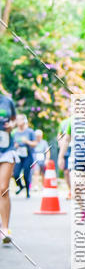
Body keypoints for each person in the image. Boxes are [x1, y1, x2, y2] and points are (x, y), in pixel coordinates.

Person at [0, 89, 17, 244]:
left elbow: (14, 120)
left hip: (6, 150)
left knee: (3, 187)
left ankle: (5, 229)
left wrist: (12, 125)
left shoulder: (7, 101)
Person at [12, 114, 36, 198]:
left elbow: (35, 143)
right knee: (15, 174)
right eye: (17, 120)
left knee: (26, 173)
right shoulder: (14, 132)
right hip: (18, 155)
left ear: (24, 121)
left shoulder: (30, 132)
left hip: (28, 155)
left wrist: (27, 142)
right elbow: (12, 144)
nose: (18, 121)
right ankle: (21, 186)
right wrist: (15, 146)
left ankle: (27, 192)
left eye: (20, 119)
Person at [58, 116, 72, 199]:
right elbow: (59, 135)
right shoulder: (63, 123)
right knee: (66, 171)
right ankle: (70, 190)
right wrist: (61, 144)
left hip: (78, 149)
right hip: (67, 149)